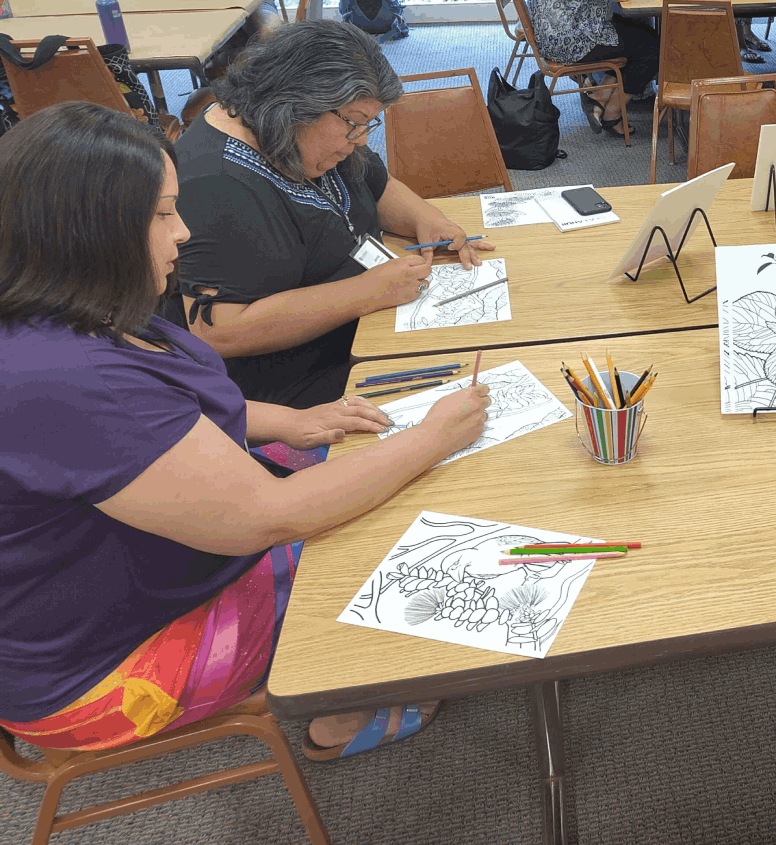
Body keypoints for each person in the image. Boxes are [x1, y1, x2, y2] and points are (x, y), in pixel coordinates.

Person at [0, 103, 492, 755]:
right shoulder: (69, 378)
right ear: (92, 230)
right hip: (105, 673)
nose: (182, 234)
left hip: (103, 590)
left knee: (356, 459)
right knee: (389, 531)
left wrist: (290, 418)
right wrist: (431, 438)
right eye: (161, 214)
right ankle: (342, 710)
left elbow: (173, 413)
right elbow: (270, 515)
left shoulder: (67, 309)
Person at [169, 21, 493, 409]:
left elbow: (377, 185)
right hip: (293, 385)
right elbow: (219, 332)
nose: (361, 140)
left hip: (367, 328)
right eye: (354, 124)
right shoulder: (214, 184)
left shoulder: (305, 132)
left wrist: (425, 218)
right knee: (476, 389)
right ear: (295, 103)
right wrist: (366, 292)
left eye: (367, 124)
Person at [526, 0, 659, 135]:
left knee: (639, 33)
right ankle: (613, 113)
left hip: (550, 32)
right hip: (571, 39)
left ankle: (599, 98)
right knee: (653, 48)